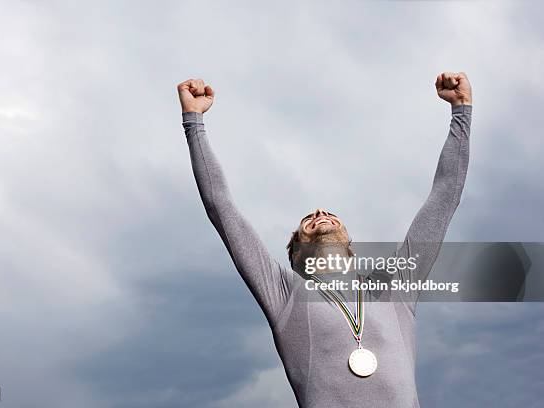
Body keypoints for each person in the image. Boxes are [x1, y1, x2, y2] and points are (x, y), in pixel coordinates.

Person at [178, 72, 472, 407]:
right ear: (298, 255)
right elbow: (221, 207)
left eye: (329, 214)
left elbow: (445, 196)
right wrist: (194, 122)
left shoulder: (394, 287)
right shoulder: (285, 294)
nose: (319, 211)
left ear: (349, 244)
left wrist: (461, 112)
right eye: (307, 221)